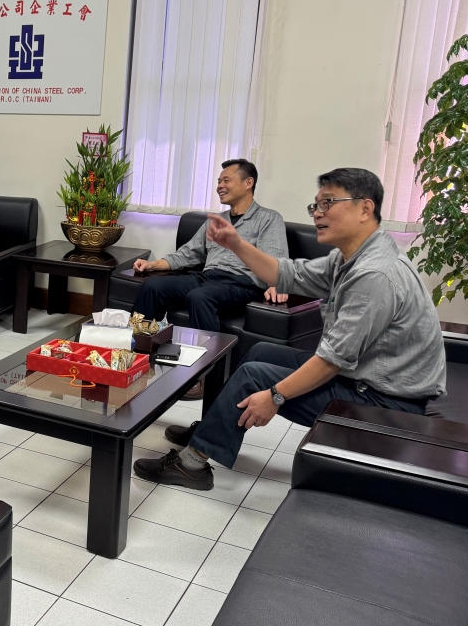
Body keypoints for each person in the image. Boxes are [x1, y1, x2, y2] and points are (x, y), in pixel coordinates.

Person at [134, 168, 445, 491]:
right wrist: (236, 244)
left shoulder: (374, 275)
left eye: (328, 203)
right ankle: (210, 431)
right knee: (260, 352)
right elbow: (287, 273)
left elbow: (331, 361)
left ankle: (192, 465)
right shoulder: (351, 258)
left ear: (365, 208)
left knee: (254, 376)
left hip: (386, 402)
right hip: (364, 378)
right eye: (316, 205)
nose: (317, 214)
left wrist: (275, 396)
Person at [131, 159, 288, 400]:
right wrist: (152, 264)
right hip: (206, 277)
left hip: (241, 283)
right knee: (152, 287)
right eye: (218, 181)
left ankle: (204, 377)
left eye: (226, 180)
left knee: (199, 297)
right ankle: (138, 358)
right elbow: (188, 254)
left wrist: (277, 283)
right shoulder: (215, 220)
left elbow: (276, 259)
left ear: (248, 183)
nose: (220, 186)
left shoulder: (268, 219)